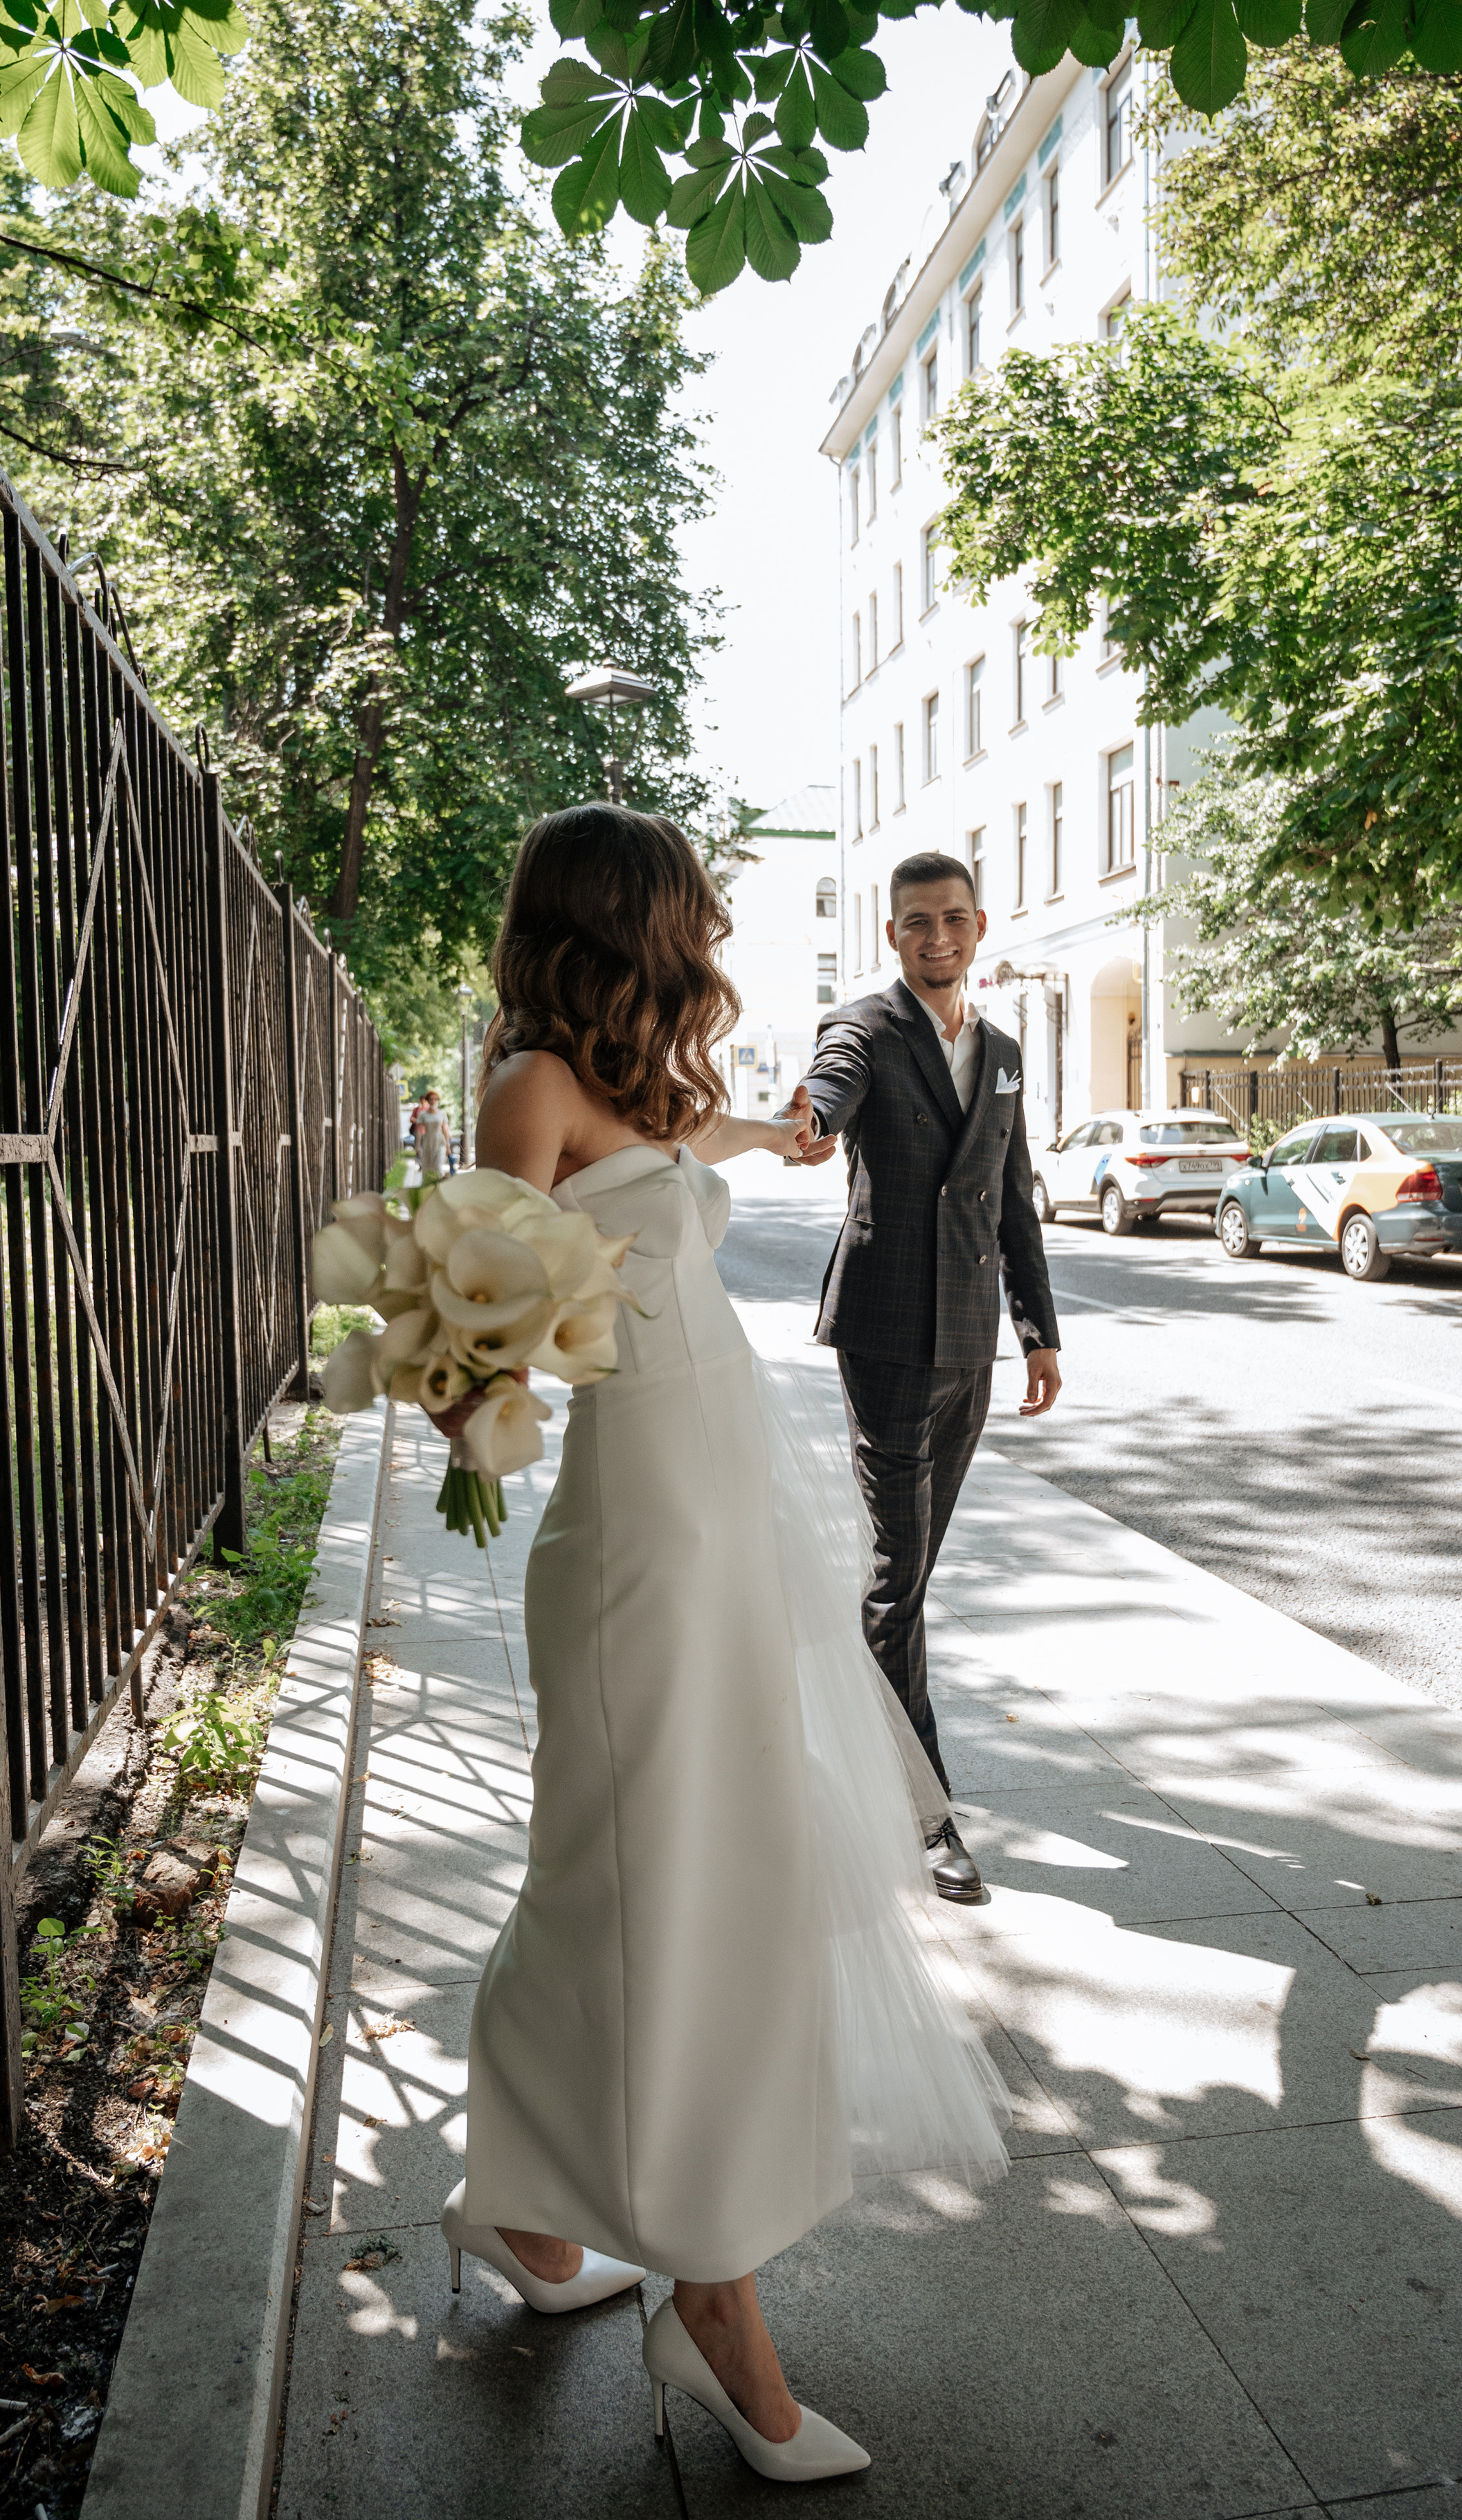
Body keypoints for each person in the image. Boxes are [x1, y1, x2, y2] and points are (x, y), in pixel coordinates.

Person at [429, 804, 1009, 2481]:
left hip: (725, 1535)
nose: (711, 936)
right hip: (634, 1555)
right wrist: (487, 1374)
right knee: (658, 1895)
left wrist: (781, 1130)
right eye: (689, 910)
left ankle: (528, 2216)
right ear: (626, 923)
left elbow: (724, 1140)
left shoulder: (652, 1087)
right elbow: (470, 1357)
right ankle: (713, 2300)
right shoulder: (530, 1086)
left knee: (648, 1882)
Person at [783, 854, 1061, 1905]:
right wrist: (810, 1118)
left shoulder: (1001, 1049)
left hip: (975, 1337)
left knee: (909, 1577)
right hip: (888, 1335)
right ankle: (926, 1812)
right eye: (915, 922)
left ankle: (852, 1741)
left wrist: (1039, 1329)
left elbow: (1012, 1199)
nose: (935, 936)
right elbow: (833, 1085)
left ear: (979, 925)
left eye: (951, 918)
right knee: (901, 1579)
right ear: (890, 932)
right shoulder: (862, 1026)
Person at [417, 1087, 452, 1180]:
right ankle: (428, 1189)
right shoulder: (423, 1115)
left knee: (438, 1167)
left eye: (435, 1099)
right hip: (428, 1142)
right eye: (431, 1099)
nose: (433, 1101)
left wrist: (448, 1146)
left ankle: (440, 1187)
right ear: (428, 1101)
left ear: (438, 1101)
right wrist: (417, 1147)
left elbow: (445, 1129)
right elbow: (419, 1131)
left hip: (440, 1142)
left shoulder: (442, 1114)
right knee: (428, 1168)